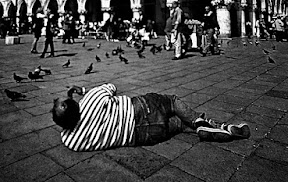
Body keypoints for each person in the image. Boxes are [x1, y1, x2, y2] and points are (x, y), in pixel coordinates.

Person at [52, 83, 251, 152]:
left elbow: (68, 125)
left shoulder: (71, 141)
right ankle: (202, 123)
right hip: (139, 109)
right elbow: (111, 88)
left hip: (144, 136)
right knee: (172, 102)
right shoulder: (90, 100)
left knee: (181, 125)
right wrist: (84, 91)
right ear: (76, 104)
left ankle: (212, 128)